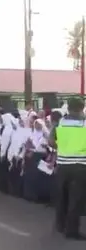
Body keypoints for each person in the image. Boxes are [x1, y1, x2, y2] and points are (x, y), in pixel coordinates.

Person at [50, 98, 86, 240]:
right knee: (75, 199)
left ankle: (60, 225)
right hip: (80, 166)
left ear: (69, 108)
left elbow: (51, 141)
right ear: (82, 108)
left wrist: (63, 149)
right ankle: (71, 231)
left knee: (62, 197)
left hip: (62, 165)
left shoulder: (60, 123)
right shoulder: (84, 124)